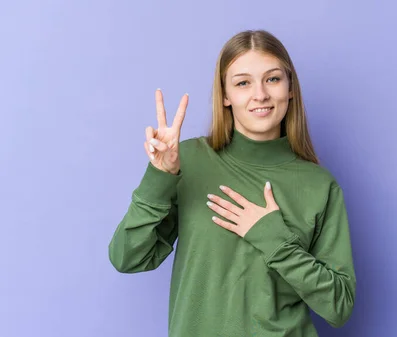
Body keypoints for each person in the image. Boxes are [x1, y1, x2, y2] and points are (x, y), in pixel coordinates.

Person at [108, 29, 356, 337]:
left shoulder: (319, 185)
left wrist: (272, 238)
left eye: (273, 79)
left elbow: (339, 305)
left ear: (290, 88)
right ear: (225, 95)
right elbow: (127, 258)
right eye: (243, 83)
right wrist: (159, 178)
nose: (260, 94)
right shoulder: (188, 162)